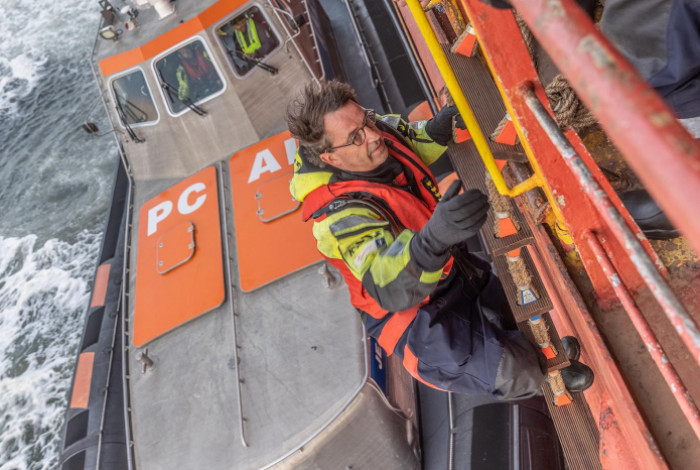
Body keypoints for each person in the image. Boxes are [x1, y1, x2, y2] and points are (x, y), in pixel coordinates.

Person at [286, 80, 594, 398]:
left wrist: (438, 128)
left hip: (443, 267)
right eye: (357, 137)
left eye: (366, 120)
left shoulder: (371, 131)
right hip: (414, 318)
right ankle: (541, 373)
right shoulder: (339, 218)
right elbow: (388, 286)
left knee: (504, 300)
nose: (373, 136)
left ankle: (542, 354)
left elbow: (408, 138)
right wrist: (434, 238)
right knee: (514, 371)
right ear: (331, 159)